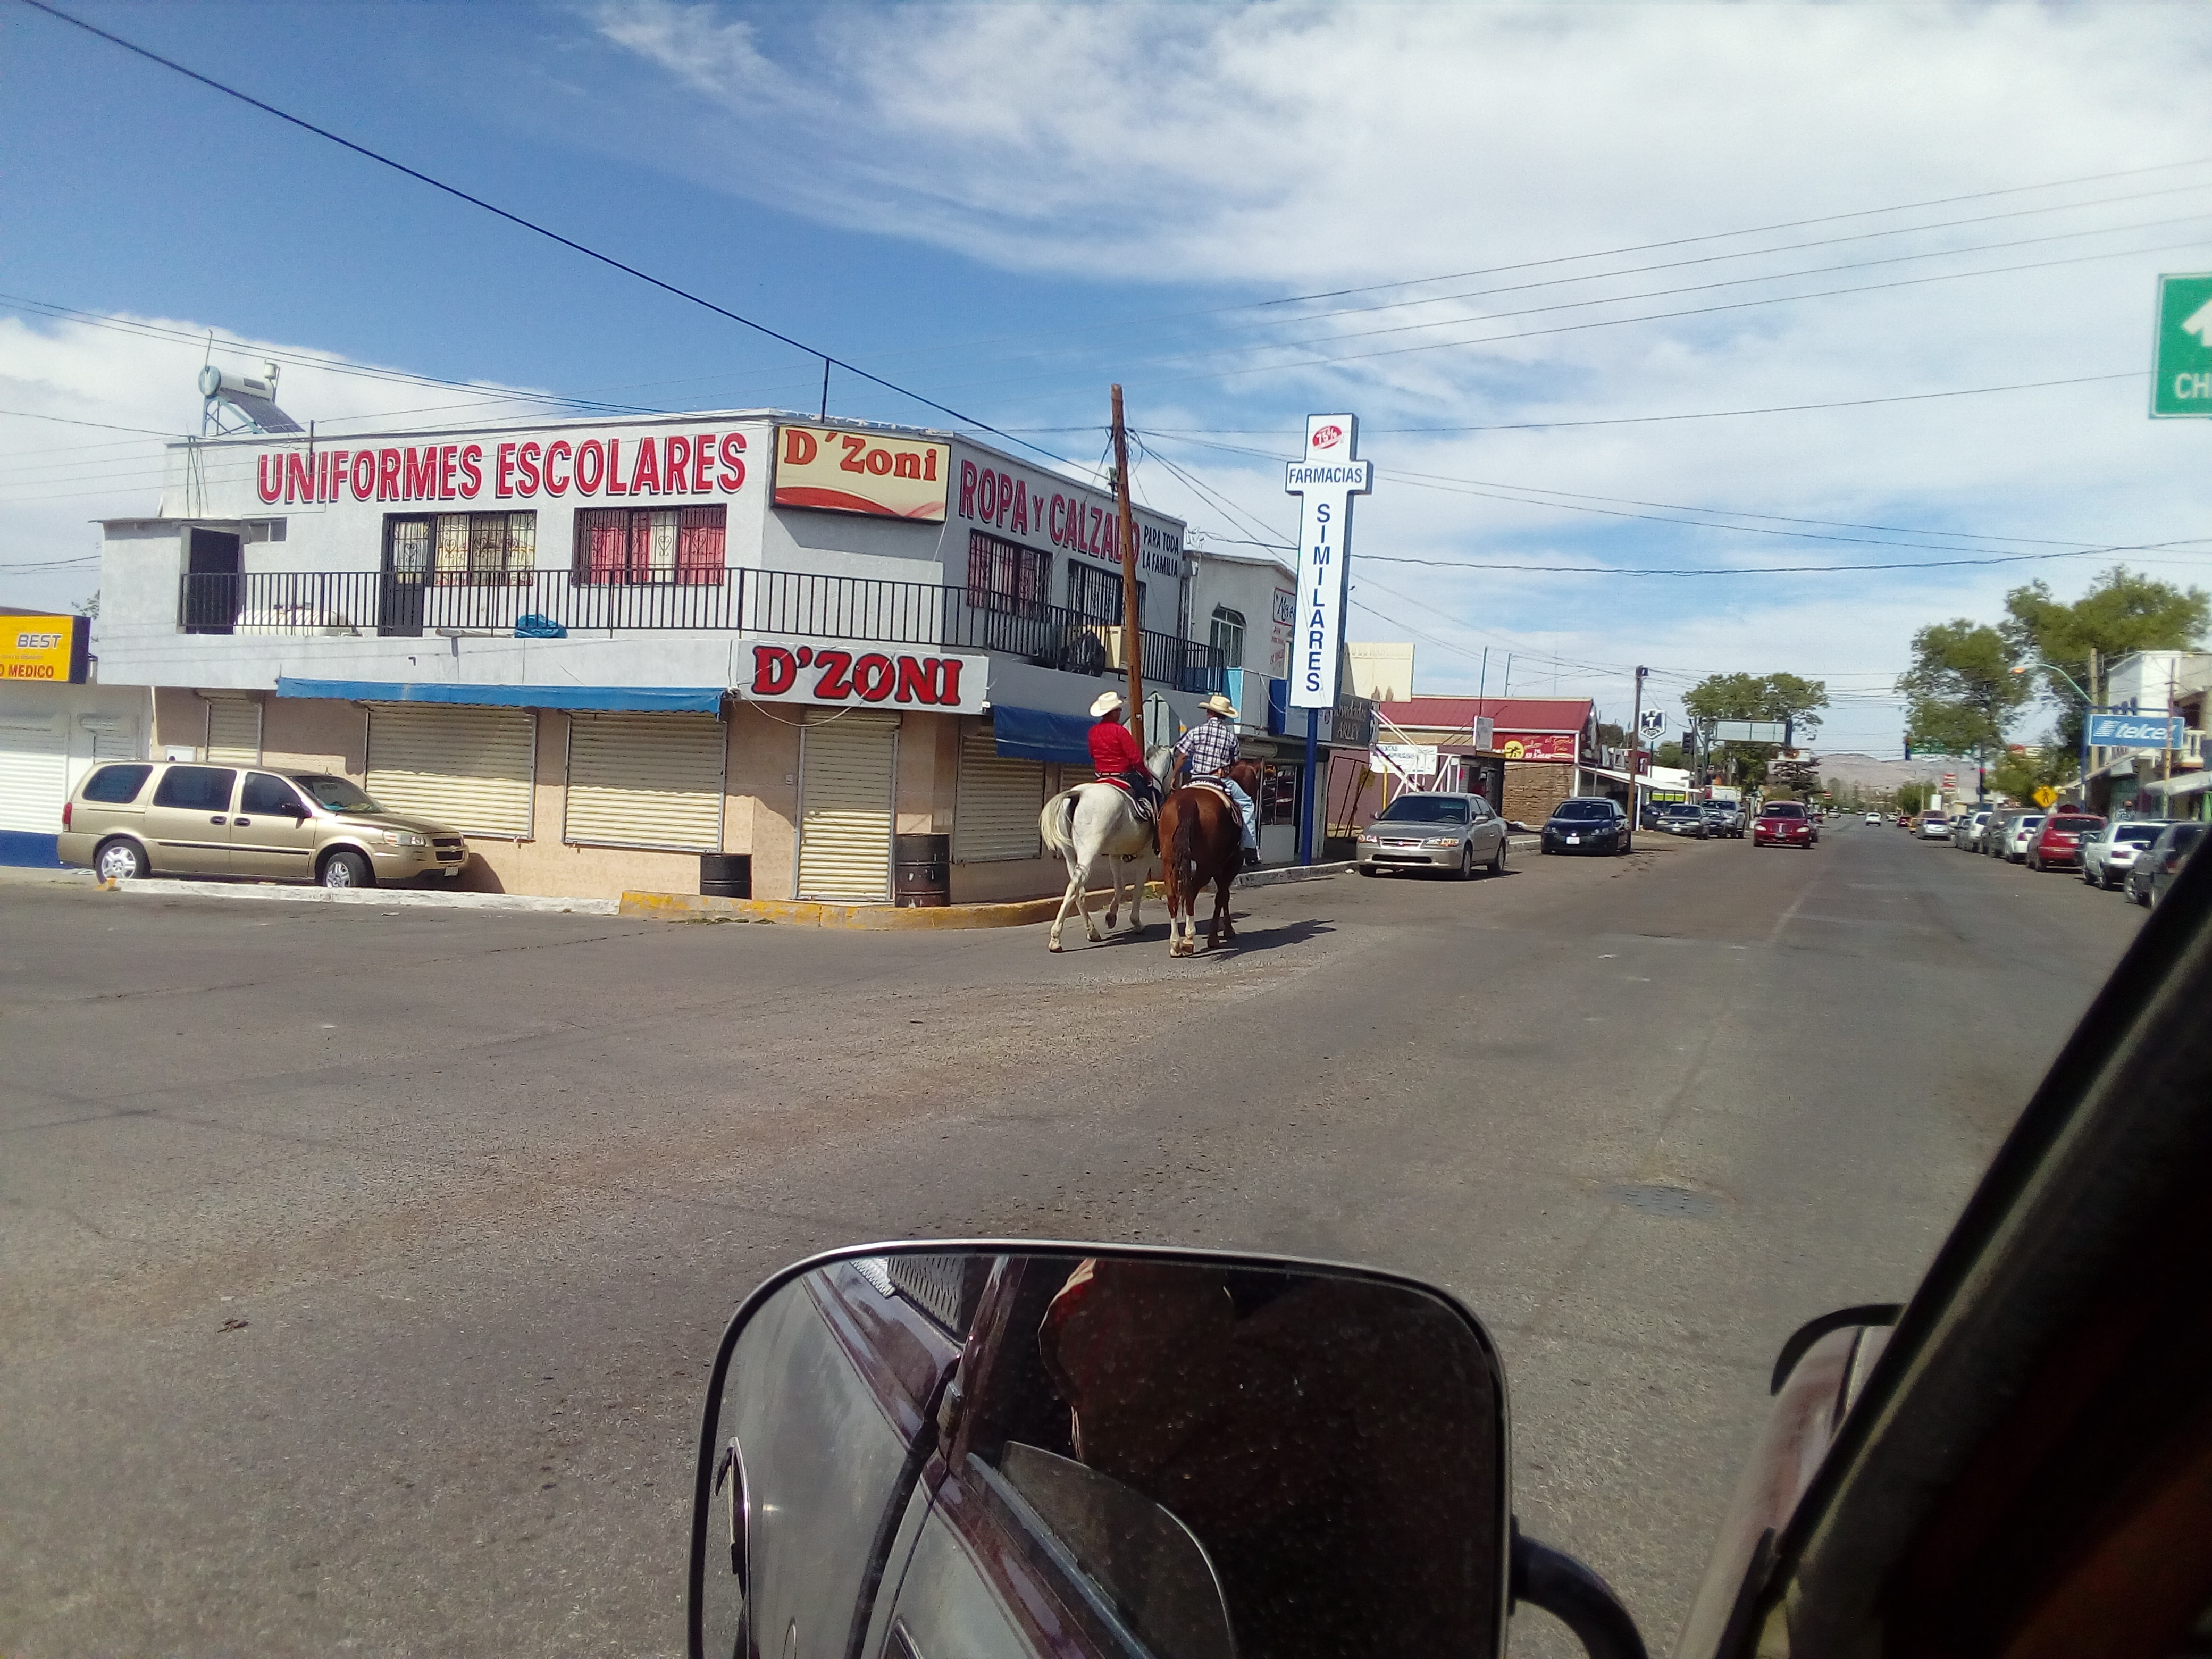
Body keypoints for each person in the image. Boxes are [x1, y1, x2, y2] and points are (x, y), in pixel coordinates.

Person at [1172, 693, 1259, 866]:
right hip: (1220, 780)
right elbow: (1235, 762)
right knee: (1247, 804)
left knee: (1172, 803)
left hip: (1196, 779)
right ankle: (1250, 848)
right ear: (1225, 716)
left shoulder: (1196, 732)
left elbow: (1182, 756)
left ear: (1209, 713)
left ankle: (1161, 843)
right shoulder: (1230, 737)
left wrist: (1175, 776)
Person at [1086, 691, 1158, 820]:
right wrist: (1147, 776)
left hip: (1101, 777)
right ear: (1113, 712)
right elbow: (1136, 759)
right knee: (1154, 797)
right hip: (1124, 777)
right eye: (1119, 710)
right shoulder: (1120, 731)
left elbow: (1092, 754)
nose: (1120, 713)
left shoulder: (1093, 731)